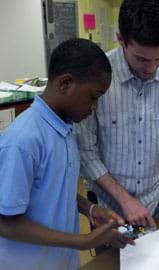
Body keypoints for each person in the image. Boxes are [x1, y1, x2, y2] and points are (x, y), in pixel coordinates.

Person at [76, 0, 159, 254]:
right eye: (142, 58)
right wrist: (125, 201)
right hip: (109, 204)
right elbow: (86, 151)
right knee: (112, 263)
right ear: (120, 39)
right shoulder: (97, 74)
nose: (152, 68)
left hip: (156, 196)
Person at [0, 38, 133, 270]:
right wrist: (81, 241)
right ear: (65, 83)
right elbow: (6, 223)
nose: (95, 108)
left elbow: (52, 190)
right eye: (93, 97)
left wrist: (90, 209)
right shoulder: (22, 141)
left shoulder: (65, 128)